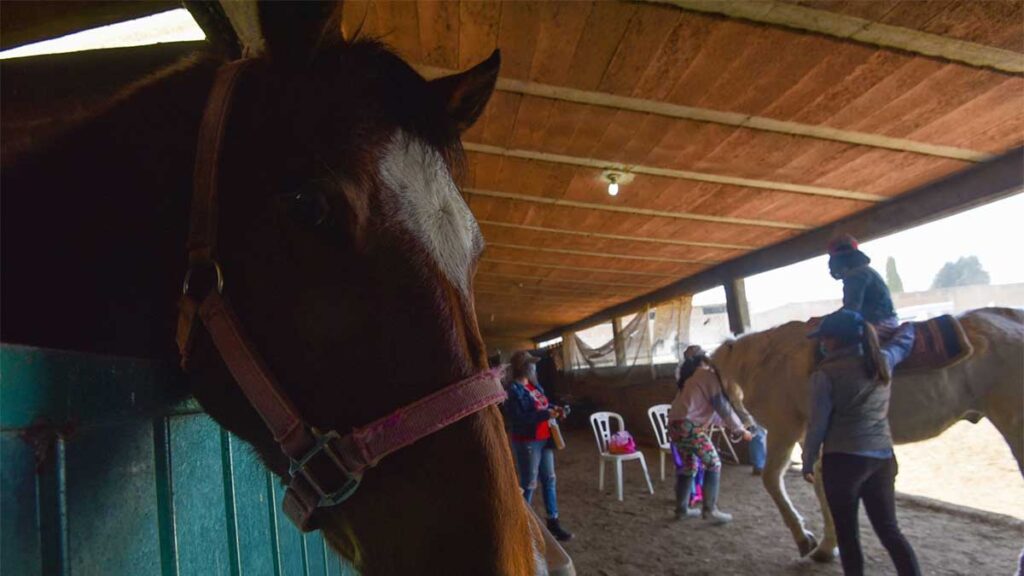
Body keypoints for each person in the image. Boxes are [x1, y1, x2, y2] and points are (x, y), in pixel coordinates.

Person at [802, 309, 919, 576]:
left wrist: (808, 460)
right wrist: (909, 327)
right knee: (890, 531)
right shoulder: (883, 361)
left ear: (836, 340)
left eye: (826, 338)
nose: (822, 343)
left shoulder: (824, 374)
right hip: (882, 458)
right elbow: (905, 341)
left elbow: (818, 424)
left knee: (847, 535)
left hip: (842, 460)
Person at [669, 345, 752, 524]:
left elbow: (711, 412)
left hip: (676, 426)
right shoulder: (707, 375)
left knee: (688, 467)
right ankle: (710, 510)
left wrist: (737, 427)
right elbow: (721, 406)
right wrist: (739, 429)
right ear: (706, 361)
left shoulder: (690, 379)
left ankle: (681, 509)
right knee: (713, 463)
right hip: (689, 427)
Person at [504, 350, 573, 542]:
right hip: (527, 441)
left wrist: (555, 409)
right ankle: (520, 525)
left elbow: (544, 404)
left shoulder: (534, 386)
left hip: (544, 438)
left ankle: (553, 521)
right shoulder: (513, 391)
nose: (533, 367)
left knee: (549, 479)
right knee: (529, 483)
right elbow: (518, 419)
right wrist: (545, 415)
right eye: (530, 364)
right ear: (522, 368)